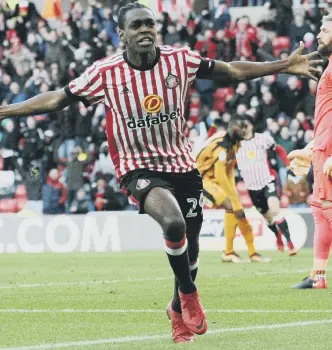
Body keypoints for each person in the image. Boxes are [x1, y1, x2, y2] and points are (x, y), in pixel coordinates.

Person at [0, 1, 322, 342]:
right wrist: (6, 110)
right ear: (121, 34)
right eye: (137, 25)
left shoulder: (179, 60)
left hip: (181, 164)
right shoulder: (105, 73)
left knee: (191, 249)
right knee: (172, 222)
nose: (145, 30)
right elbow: (57, 98)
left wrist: (284, 64)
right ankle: (188, 295)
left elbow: (231, 70)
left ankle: (175, 308)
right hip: (136, 167)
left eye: (149, 24)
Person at [288, 15, 332, 289]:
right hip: (323, 148)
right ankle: (318, 276)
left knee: (328, 210)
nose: (318, 33)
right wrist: (311, 147)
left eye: (325, 29)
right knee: (319, 209)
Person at [196, 116, 270, 263]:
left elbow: (229, 171)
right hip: (199, 179)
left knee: (238, 211)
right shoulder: (222, 146)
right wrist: (233, 198)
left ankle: (252, 253)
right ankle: (228, 252)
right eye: (244, 130)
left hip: (214, 179)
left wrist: (234, 193)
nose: (248, 132)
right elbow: (220, 174)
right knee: (232, 206)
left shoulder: (235, 144)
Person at [236, 122, 297, 255]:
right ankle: (278, 237)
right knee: (268, 218)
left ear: (252, 126)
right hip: (252, 188)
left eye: (246, 125)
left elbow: (279, 149)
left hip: (267, 181)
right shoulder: (236, 144)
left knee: (275, 210)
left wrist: (287, 166)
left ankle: (290, 244)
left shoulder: (262, 139)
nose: (243, 128)